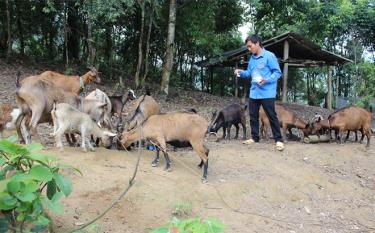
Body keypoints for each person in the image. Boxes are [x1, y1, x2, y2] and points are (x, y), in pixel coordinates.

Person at [234, 34, 284, 151]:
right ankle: (255, 137)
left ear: (257, 44)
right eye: (248, 47)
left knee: (271, 116)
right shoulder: (252, 58)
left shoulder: (269, 56)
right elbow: (249, 73)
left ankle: (278, 140)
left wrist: (266, 80)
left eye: (250, 46)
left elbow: (277, 73)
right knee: (253, 116)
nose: (249, 48)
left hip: (267, 93)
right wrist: (240, 72)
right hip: (254, 92)